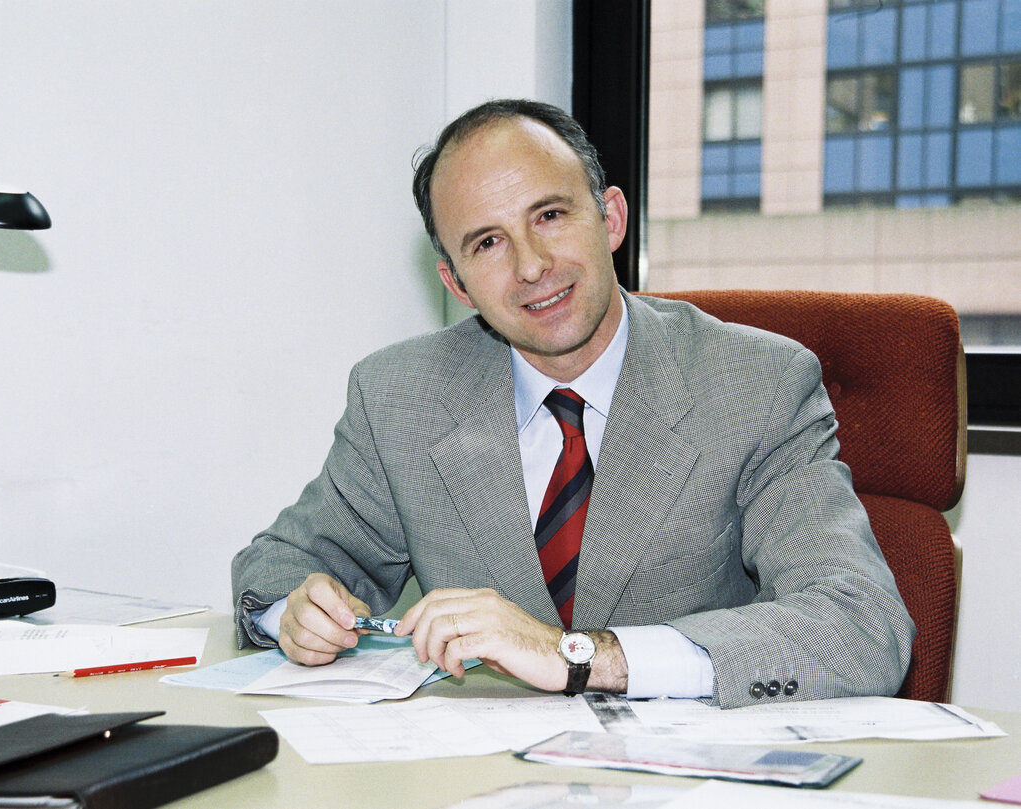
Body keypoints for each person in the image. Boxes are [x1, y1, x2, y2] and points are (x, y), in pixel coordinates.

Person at [231, 99, 914, 708]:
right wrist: (294, 611)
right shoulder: (400, 396)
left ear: (611, 218)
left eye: (550, 216)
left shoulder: (755, 385)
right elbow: (275, 567)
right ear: (458, 284)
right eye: (488, 242)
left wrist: (580, 656)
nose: (531, 265)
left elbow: (860, 625)